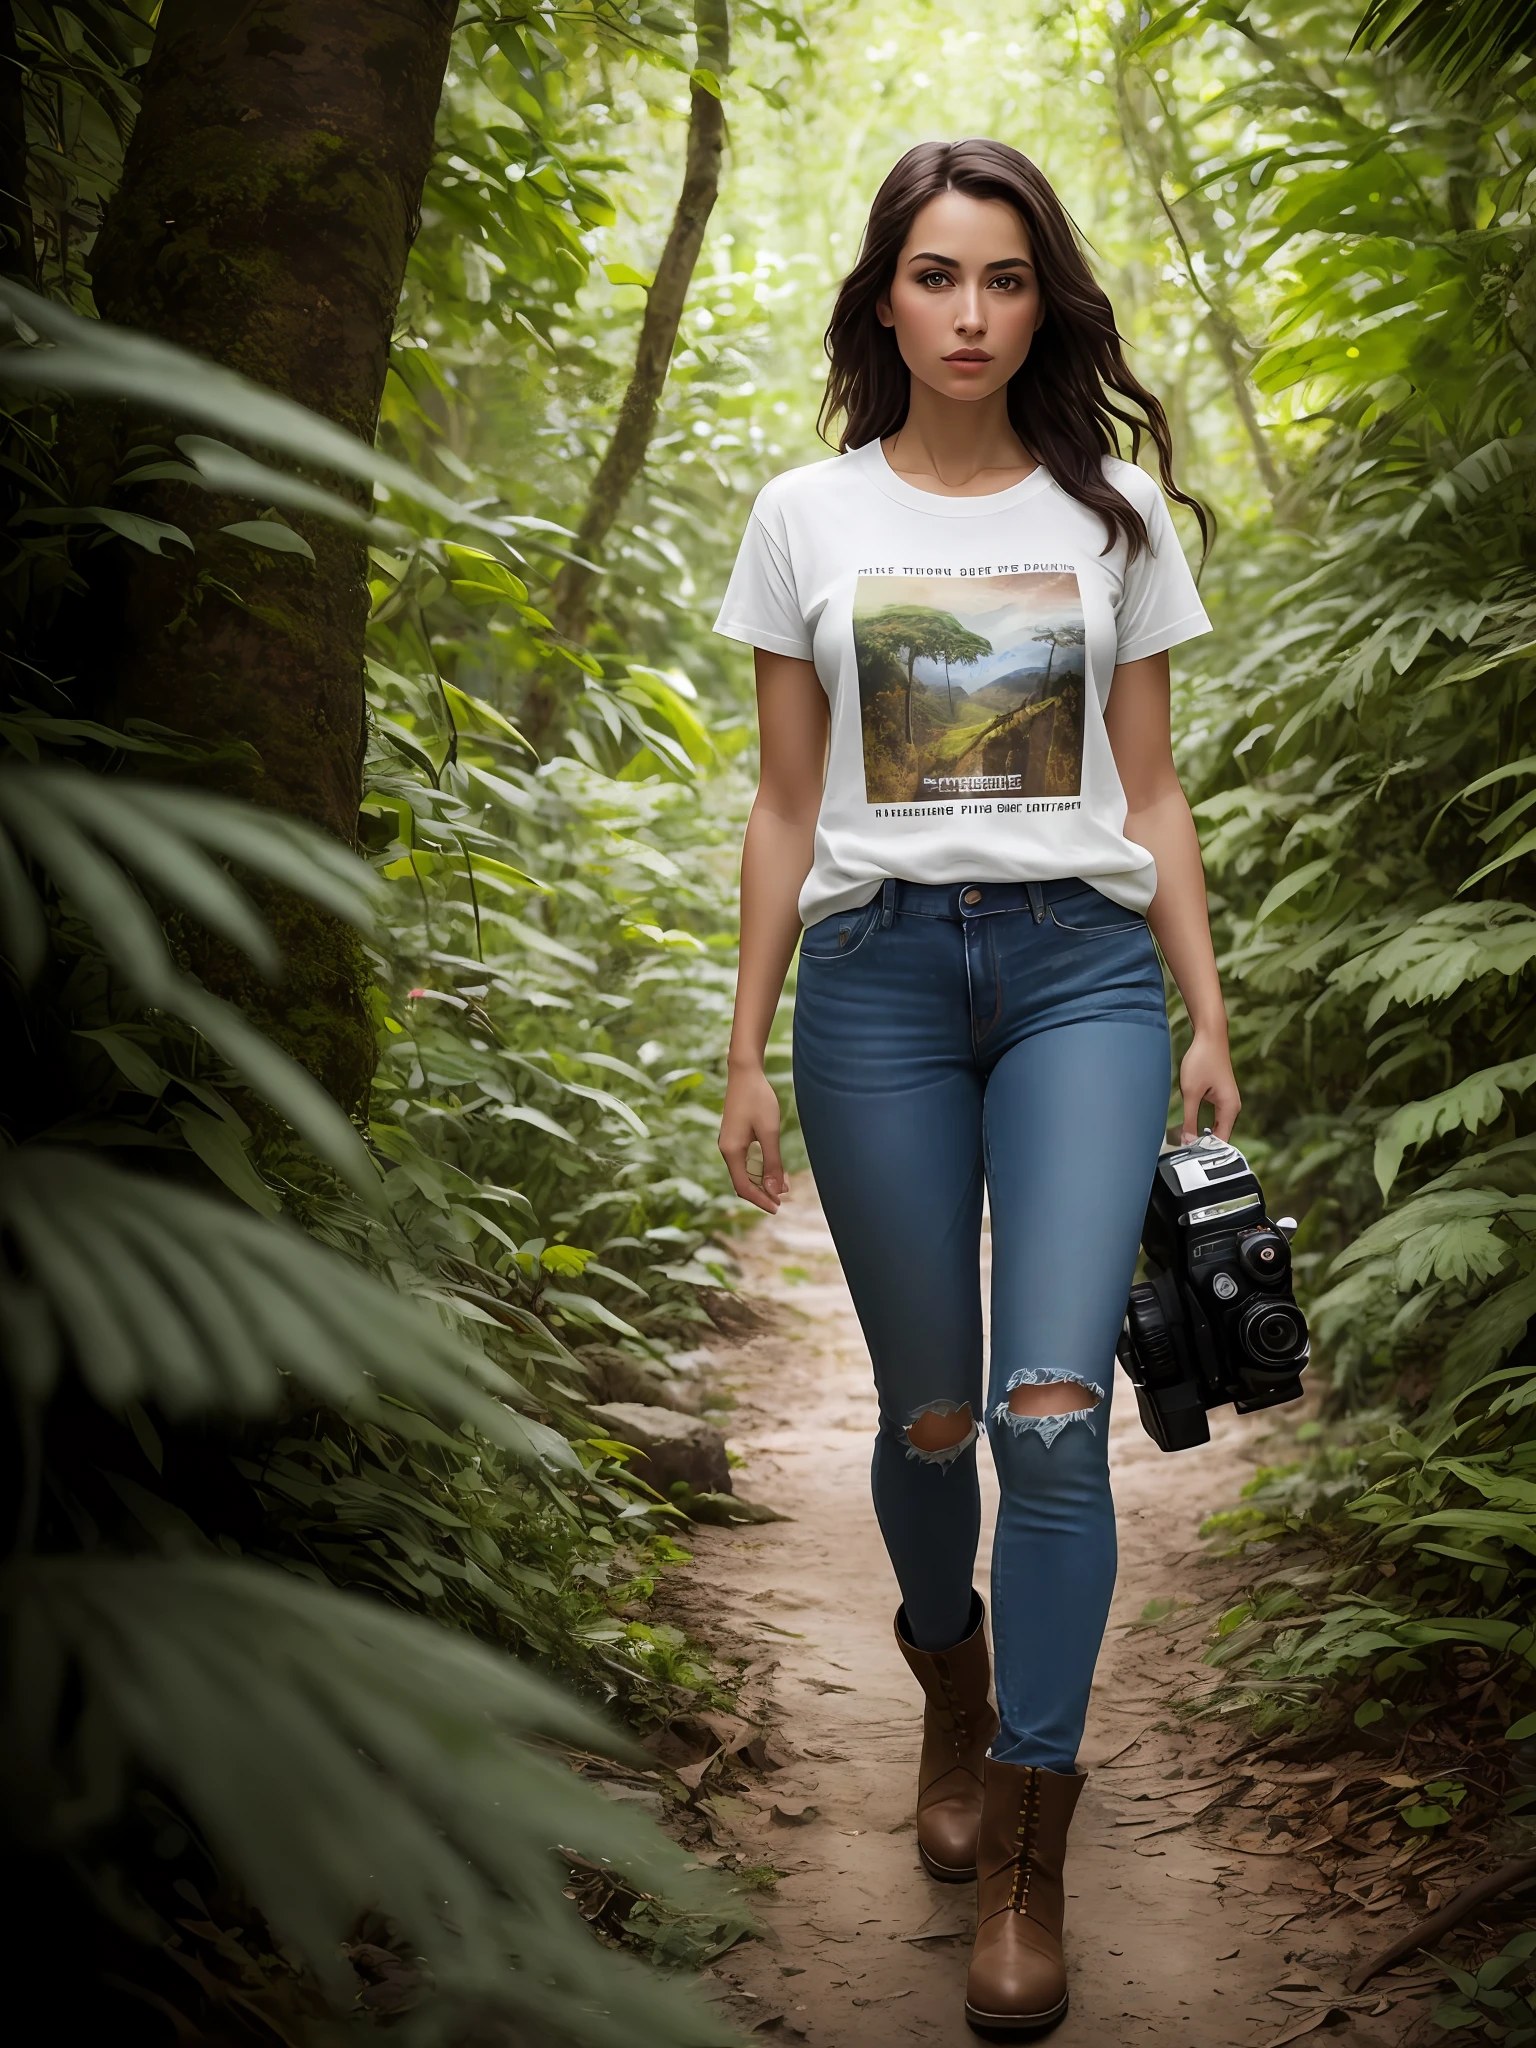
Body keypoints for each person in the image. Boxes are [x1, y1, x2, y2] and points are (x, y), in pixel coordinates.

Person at [713, 137, 1239, 2040]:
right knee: (934, 1419)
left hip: (1083, 976)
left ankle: (1030, 1829)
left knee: (1044, 1414)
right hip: (873, 993)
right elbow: (785, 804)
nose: (969, 312)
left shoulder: (1112, 524)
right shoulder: (806, 516)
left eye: (1004, 279)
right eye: (936, 277)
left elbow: (1152, 790)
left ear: (1044, 302)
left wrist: (1203, 1007)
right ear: (884, 298)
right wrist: (746, 1040)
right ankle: (949, 1666)